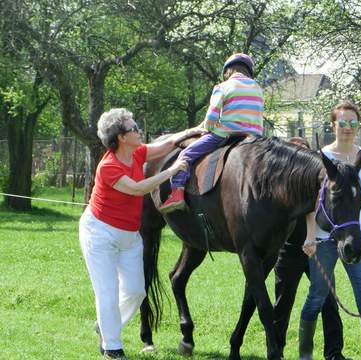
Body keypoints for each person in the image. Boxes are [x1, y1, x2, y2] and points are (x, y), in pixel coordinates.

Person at [79, 108, 200, 359]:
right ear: (121, 137)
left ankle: (105, 326)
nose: (138, 130)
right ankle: (112, 349)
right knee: (107, 292)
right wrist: (172, 171)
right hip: (100, 234)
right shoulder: (109, 167)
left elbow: (165, 145)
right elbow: (137, 189)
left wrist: (191, 131)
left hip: (128, 236)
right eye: (133, 128)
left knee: (136, 291)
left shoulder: (137, 153)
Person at [300, 102, 361, 360]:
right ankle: (305, 355)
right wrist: (310, 236)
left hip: (357, 239)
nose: (348, 128)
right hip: (324, 240)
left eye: (353, 123)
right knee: (317, 296)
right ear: (333, 125)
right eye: (342, 123)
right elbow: (310, 204)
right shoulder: (319, 158)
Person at [273, 137, 351, 360]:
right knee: (283, 302)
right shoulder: (282, 183)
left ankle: (334, 352)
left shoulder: (321, 182)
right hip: (289, 250)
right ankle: (276, 350)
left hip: (318, 248)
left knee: (329, 301)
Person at [159, 53, 264, 213]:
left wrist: (207, 128)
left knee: (186, 154)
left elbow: (211, 117)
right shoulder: (258, 88)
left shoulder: (223, 87)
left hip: (225, 134)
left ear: (228, 71)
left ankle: (177, 193)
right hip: (254, 137)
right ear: (248, 71)